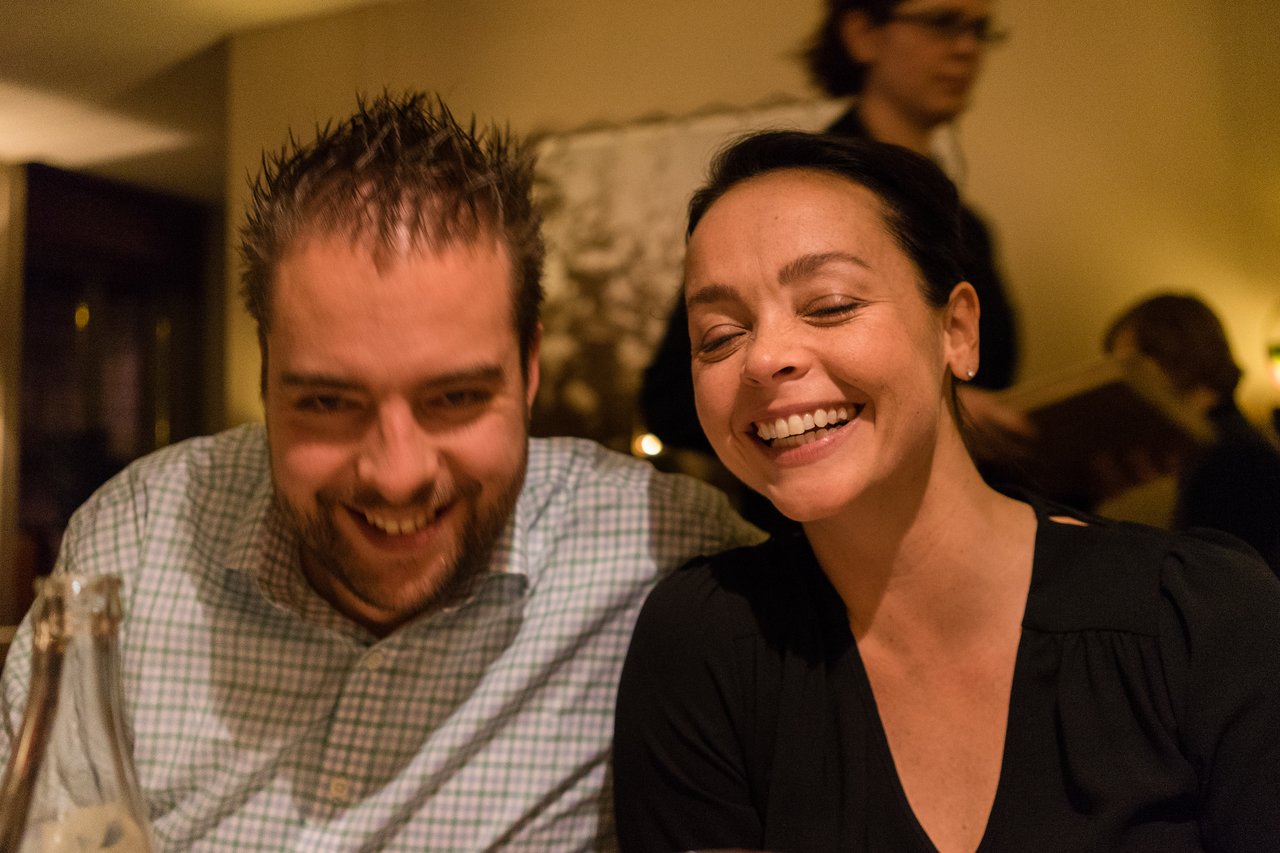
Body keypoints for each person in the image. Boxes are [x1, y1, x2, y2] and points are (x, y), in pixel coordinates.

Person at [0, 92, 761, 850]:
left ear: (528, 369)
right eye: (329, 401)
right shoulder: (135, 535)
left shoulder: (673, 557)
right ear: (268, 376)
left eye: (456, 397)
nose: (396, 474)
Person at [612, 131, 1280, 852]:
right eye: (718, 335)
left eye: (830, 304)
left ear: (957, 330)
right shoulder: (704, 647)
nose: (766, 357)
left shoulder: (1204, 618)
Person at [640, 0, 1023, 481]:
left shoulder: (969, 228)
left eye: (979, 30)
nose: (966, 48)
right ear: (863, 33)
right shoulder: (784, 204)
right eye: (942, 23)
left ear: (961, 326)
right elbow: (669, 399)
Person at [1103, 293, 1280, 575]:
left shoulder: (1235, 457)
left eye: (1131, 369)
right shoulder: (1226, 446)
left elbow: (1213, 583)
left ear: (1174, 357)